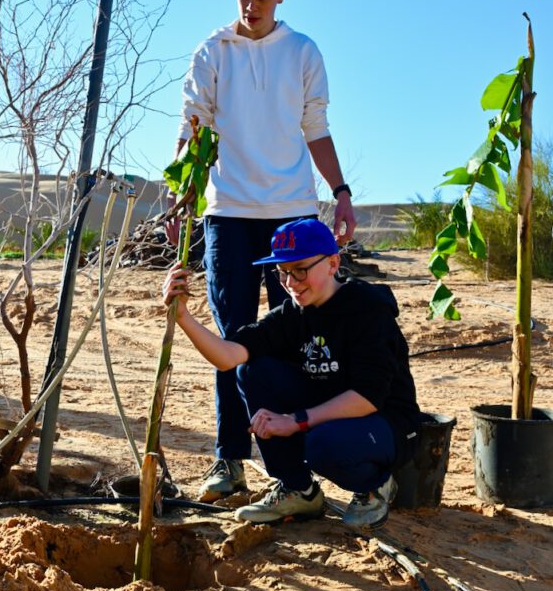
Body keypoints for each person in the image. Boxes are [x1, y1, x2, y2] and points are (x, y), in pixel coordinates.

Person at [167, 0, 357, 501]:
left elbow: (316, 128)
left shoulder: (302, 52)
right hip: (227, 212)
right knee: (232, 336)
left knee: (290, 336)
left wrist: (340, 193)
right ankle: (230, 459)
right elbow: (193, 127)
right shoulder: (213, 51)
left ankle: (288, 467)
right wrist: (183, 195)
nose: (251, 5)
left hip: (291, 214)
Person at [163, 217, 421, 528]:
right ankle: (299, 489)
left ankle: (374, 486)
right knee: (253, 371)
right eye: (283, 273)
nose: (291, 283)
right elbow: (228, 358)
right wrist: (183, 317)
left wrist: (295, 421)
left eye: (300, 270)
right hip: (332, 414)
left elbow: (368, 397)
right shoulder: (293, 314)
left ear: (332, 263)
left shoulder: (367, 309)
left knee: (323, 445)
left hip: (384, 423)